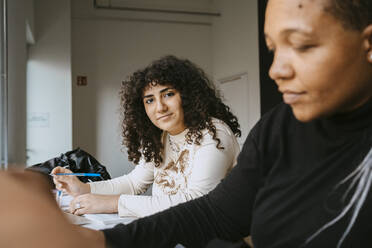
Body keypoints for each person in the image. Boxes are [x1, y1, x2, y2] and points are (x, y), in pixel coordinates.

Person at [0, 0, 371, 247]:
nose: (276, 70)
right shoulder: (278, 129)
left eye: (303, 45)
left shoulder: (214, 134)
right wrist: (85, 195)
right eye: (273, 49)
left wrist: (108, 206)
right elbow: (207, 209)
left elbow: (199, 202)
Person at [52, 55, 241, 218]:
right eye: (150, 100)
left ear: (188, 96)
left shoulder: (214, 132)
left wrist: (114, 203)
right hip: (170, 231)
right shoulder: (160, 137)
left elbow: (196, 200)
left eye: (168, 94)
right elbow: (134, 183)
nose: (160, 107)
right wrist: (84, 189)